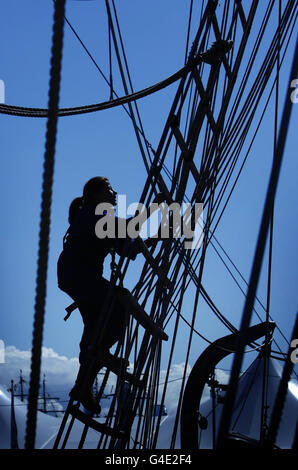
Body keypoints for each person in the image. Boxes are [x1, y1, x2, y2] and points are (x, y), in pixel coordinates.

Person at [57, 176, 162, 413]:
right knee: (119, 305)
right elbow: (127, 227)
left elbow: (129, 247)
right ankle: (98, 355)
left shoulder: (97, 218)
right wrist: (153, 207)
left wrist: (155, 238)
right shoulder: (94, 214)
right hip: (80, 277)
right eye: (109, 188)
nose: (115, 192)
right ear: (96, 195)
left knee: (95, 331)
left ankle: (82, 385)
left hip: (75, 278)